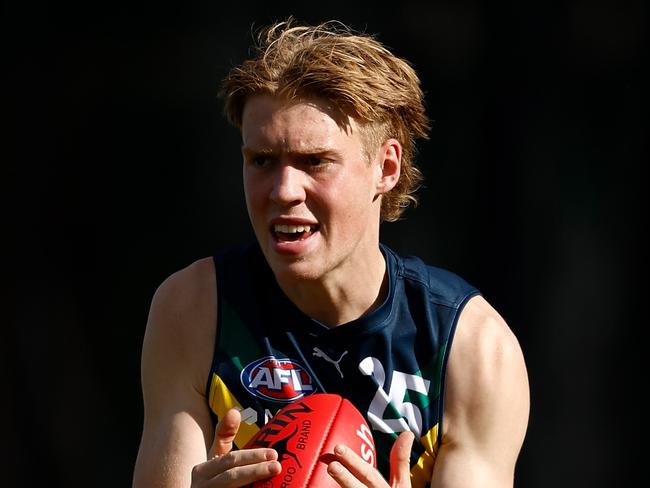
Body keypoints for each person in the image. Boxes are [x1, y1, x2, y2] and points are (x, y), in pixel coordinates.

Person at [132, 18, 529, 488]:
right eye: (261, 160)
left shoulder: (470, 348)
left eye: (314, 161)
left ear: (385, 167)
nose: (282, 190)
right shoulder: (194, 310)